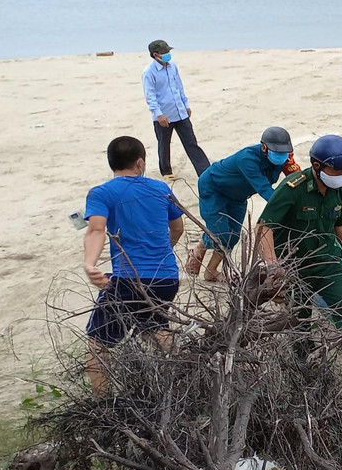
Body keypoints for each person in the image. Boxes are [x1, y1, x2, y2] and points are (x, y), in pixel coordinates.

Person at [254, 135, 342, 390]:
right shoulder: (294, 188)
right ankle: (305, 365)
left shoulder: (340, 190)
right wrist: (272, 264)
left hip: (326, 261)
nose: (341, 175)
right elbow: (264, 227)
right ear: (316, 165)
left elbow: (341, 223)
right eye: (336, 170)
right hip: (294, 265)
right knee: (299, 317)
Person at [82, 136, 185, 396]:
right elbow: (177, 227)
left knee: (98, 342)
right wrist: (164, 251)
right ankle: (185, 385)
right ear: (141, 162)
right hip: (166, 278)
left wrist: (90, 264)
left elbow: (96, 229)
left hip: (129, 279)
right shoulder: (162, 189)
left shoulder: (102, 193)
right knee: (156, 328)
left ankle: (102, 405)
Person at [186, 126, 300, 283]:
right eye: (277, 151)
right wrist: (288, 207)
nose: (281, 156)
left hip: (238, 196)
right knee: (220, 234)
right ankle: (200, 247)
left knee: (232, 237)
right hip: (214, 189)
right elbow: (264, 189)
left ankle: (211, 271)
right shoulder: (248, 159)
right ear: (264, 147)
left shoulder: (285, 157)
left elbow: (296, 176)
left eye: (284, 152)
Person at [142, 39, 210, 180]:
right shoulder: (149, 72)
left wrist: (185, 105)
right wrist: (158, 114)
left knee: (191, 142)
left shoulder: (173, 67)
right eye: (164, 52)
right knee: (164, 143)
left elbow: (179, 87)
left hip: (180, 111)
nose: (168, 54)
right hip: (164, 114)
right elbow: (150, 96)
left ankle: (204, 169)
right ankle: (166, 171)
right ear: (155, 54)